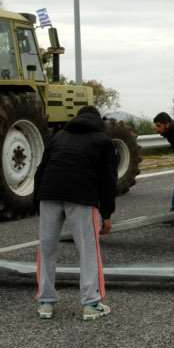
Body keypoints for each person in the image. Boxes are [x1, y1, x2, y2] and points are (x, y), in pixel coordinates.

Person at [34, 105, 117, 321]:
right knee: (88, 249)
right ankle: (91, 304)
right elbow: (108, 180)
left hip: (48, 193)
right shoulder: (103, 140)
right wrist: (107, 214)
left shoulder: (59, 135)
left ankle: (45, 303)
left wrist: (38, 201)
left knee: (46, 248)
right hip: (81, 195)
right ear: (98, 120)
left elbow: (41, 170)